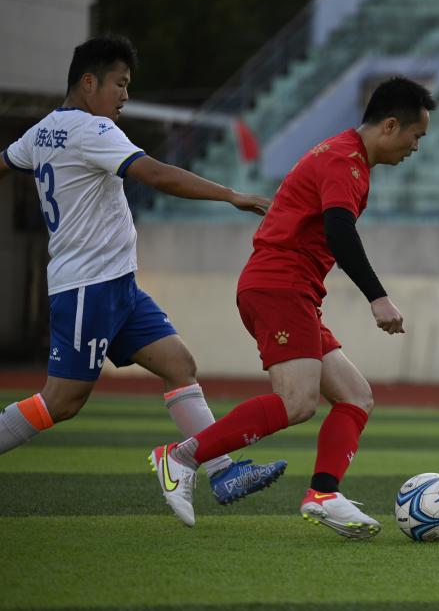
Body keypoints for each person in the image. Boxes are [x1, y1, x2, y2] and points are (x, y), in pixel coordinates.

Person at [0, 35, 287, 505]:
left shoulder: (41, 132)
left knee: (179, 365)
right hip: (85, 290)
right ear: (89, 83)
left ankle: (221, 471)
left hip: (118, 287)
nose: (125, 96)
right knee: (62, 401)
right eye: (120, 83)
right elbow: (155, 173)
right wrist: (231, 195)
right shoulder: (93, 130)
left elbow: (5, 163)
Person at [150, 76, 436, 536]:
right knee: (297, 401)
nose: (416, 147)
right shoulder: (345, 161)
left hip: (291, 288)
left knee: (356, 396)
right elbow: (340, 232)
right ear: (389, 125)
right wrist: (377, 297)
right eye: (415, 135)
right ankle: (180, 457)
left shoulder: (347, 156)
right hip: (279, 285)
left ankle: (323, 493)